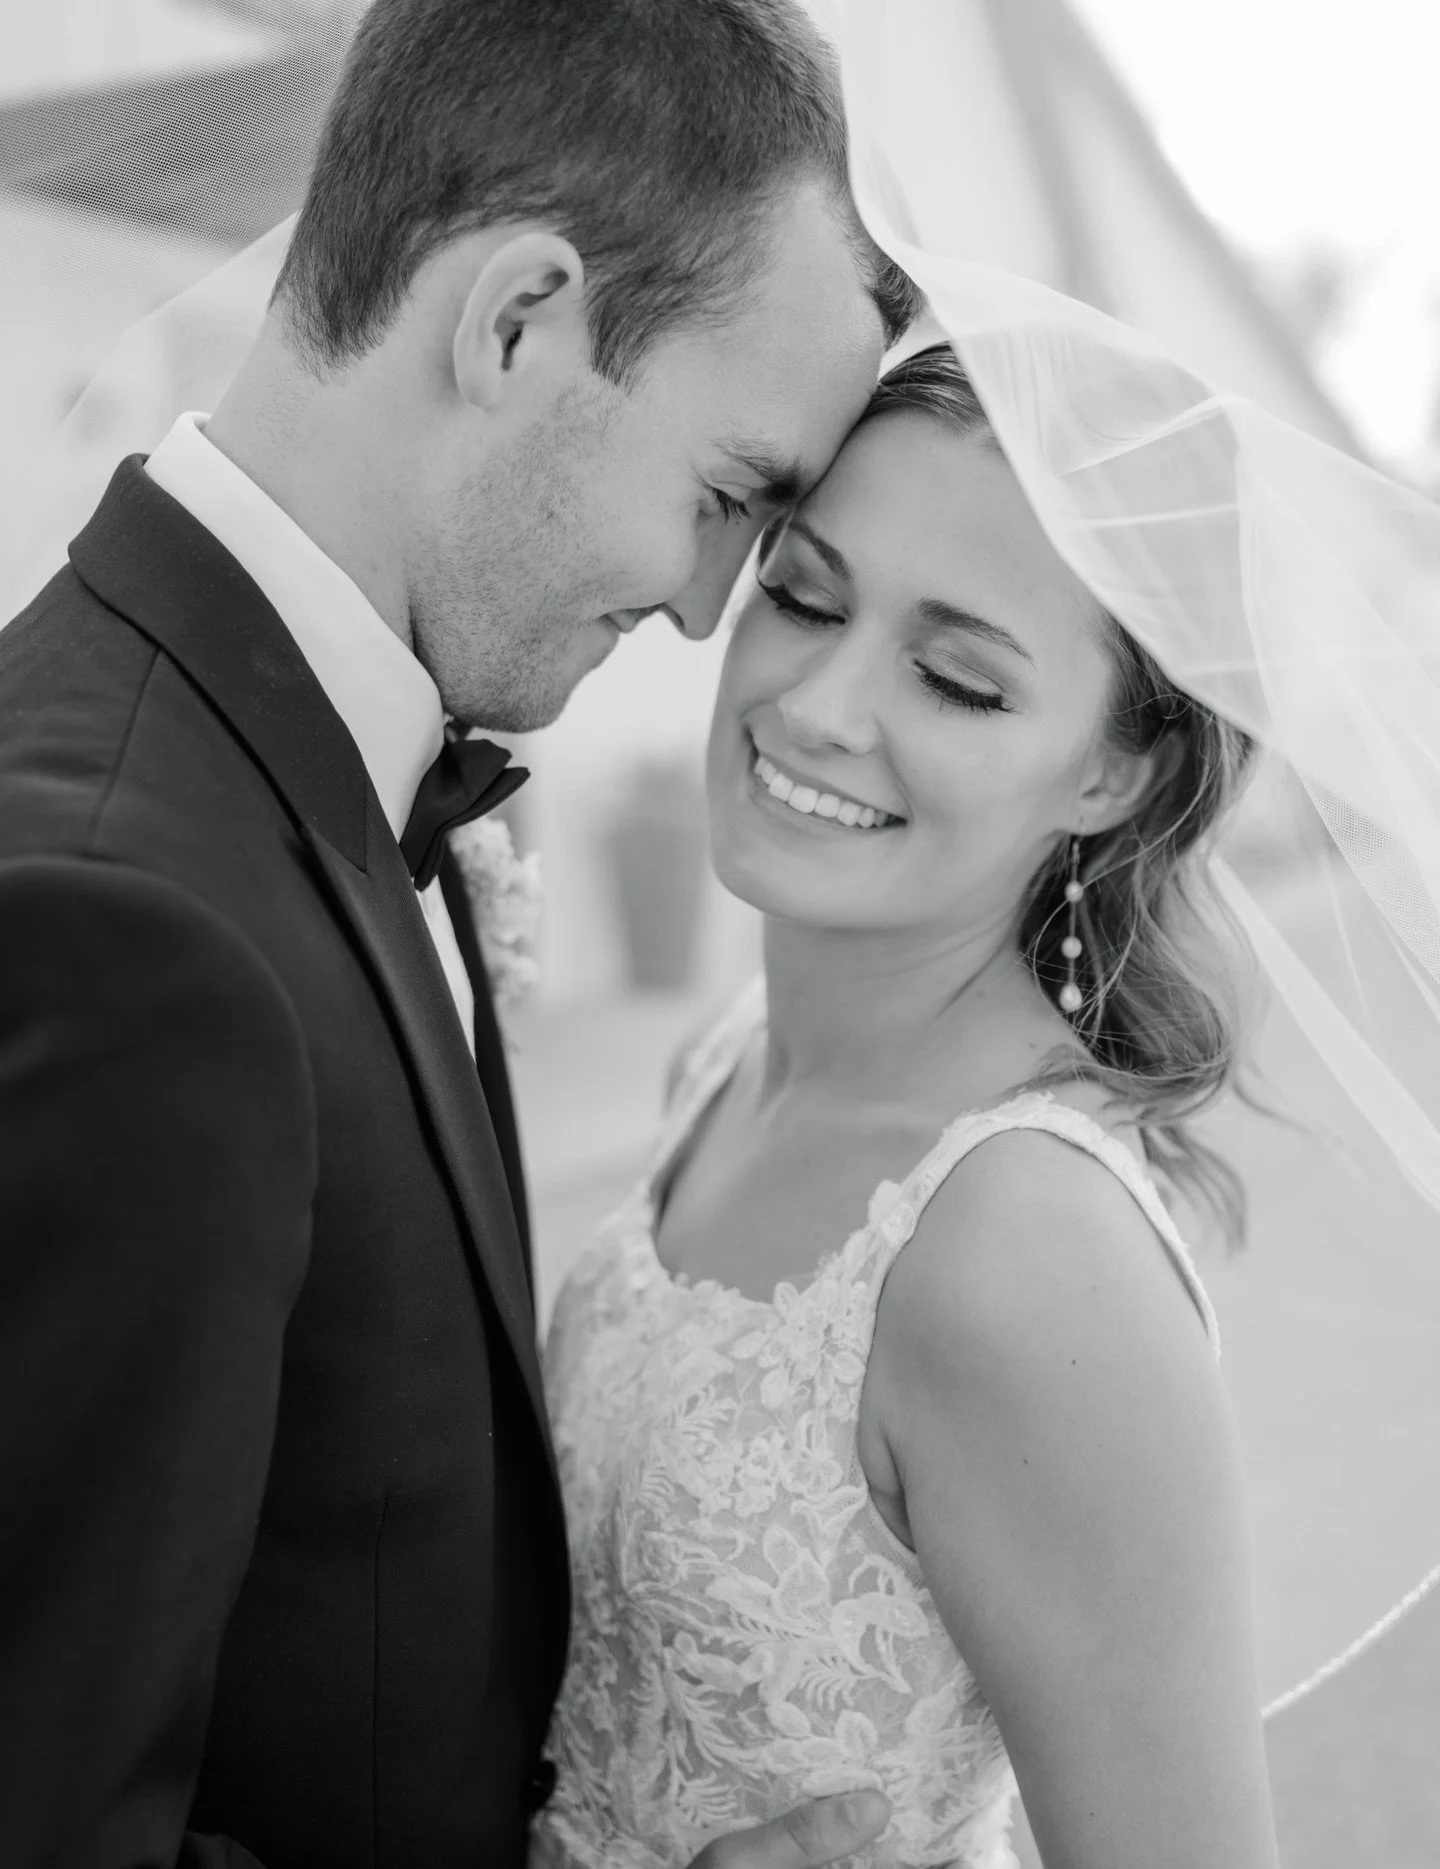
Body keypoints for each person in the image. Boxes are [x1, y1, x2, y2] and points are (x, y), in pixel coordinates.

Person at [0, 2, 919, 1865]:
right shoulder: (127, 933)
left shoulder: (300, 763)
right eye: (725, 496)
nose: (705, 612)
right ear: (515, 322)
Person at [534, 345, 1282, 1869]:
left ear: (1117, 778)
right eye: (806, 597)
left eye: (956, 680)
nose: (816, 707)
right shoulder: (732, 1057)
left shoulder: (1024, 1257)